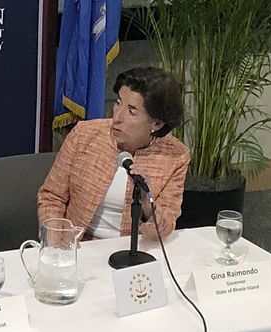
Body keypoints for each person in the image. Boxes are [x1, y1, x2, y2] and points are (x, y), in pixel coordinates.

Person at [37, 67, 190, 239]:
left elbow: (165, 224)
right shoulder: (84, 134)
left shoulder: (175, 155)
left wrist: (147, 202)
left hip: (134, 249)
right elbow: (52, 196)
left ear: (156, 124)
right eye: (118, 103)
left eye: (131, 112)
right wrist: (55, 235)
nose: (117, 116)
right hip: (80, 246)